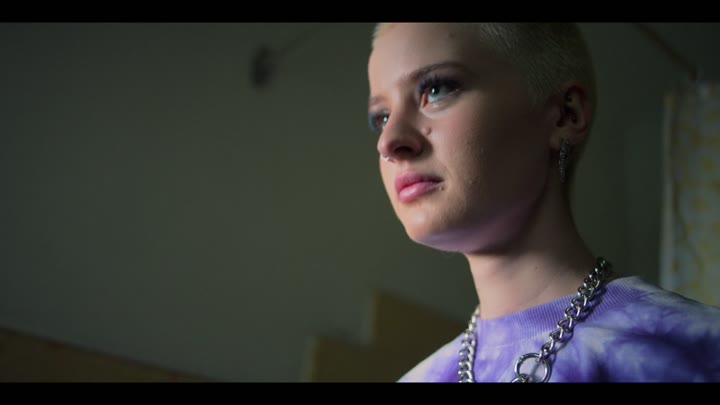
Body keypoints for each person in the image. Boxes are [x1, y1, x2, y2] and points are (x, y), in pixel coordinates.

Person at [366, 22, 720, 383]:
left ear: (566, 115)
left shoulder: (696, 350)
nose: (388, 142)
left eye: (437, 89)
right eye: (381, 117)